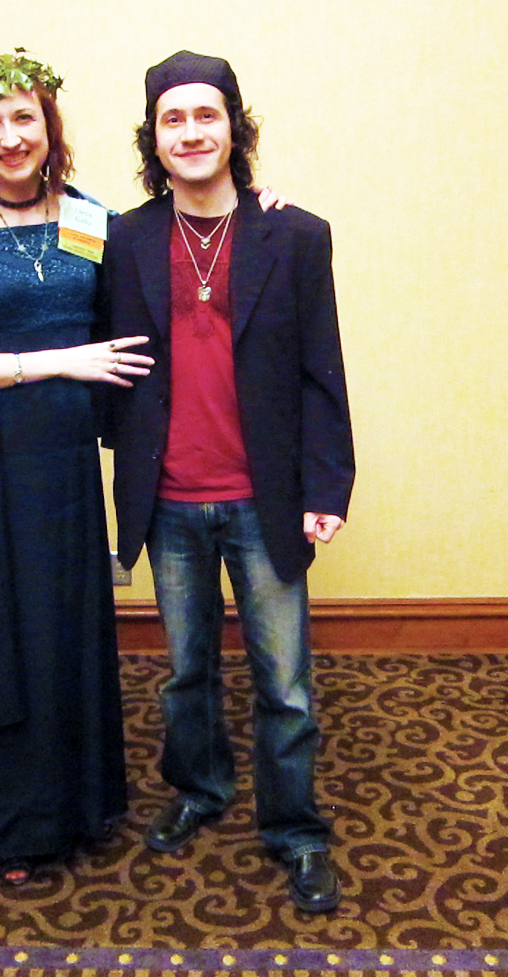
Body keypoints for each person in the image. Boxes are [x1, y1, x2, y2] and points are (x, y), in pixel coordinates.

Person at [103, 51, 355, 912]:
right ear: (153, 139)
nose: (190, 132)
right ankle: (199, 789)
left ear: (235, 128)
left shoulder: (296, 236)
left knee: (284, 683)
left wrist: (328, 485)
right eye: (172, 119)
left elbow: (322, 370)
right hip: (168, 498)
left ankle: (296, 830)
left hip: (263, 497)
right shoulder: (124, 239)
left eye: (206, 115)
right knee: (186, 671)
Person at [0, 50, 154, 886]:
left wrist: (254, 203)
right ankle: (5, 821)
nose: (10, 138)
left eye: (24, 118)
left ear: (50, 129)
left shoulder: (91, 220)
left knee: (60, 632)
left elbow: (165, 262)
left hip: (63, 470)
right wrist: (57, 363)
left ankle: (73, 807)